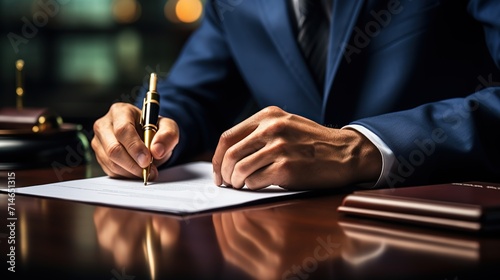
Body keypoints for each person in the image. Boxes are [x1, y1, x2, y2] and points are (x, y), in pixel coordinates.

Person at [92, 0, 500, 190]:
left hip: (441, 229)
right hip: (284, 237)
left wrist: (365, 148)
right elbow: (195, 96)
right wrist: (150, 132)